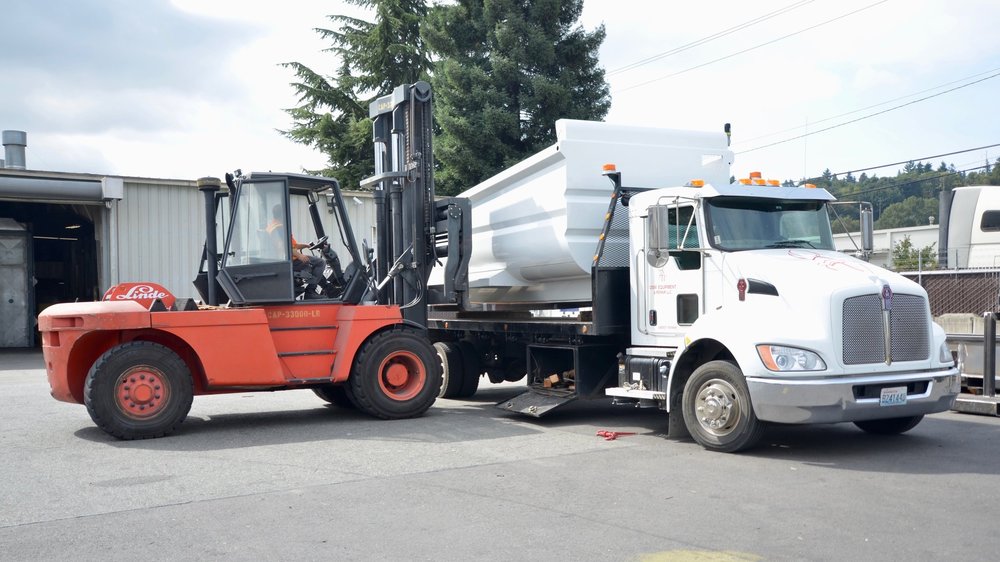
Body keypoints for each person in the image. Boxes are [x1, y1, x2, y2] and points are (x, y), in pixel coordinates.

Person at [267, 205, 327, 298]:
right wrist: (299, 256)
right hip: (289, 261)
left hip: (286, 259)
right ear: (282, 215)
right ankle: (310, 292)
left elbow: (292, 246)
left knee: (311, 263)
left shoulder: (272, 226)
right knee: (320, 263)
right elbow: (284, 247)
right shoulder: (279, 228)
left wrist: (306, 245)